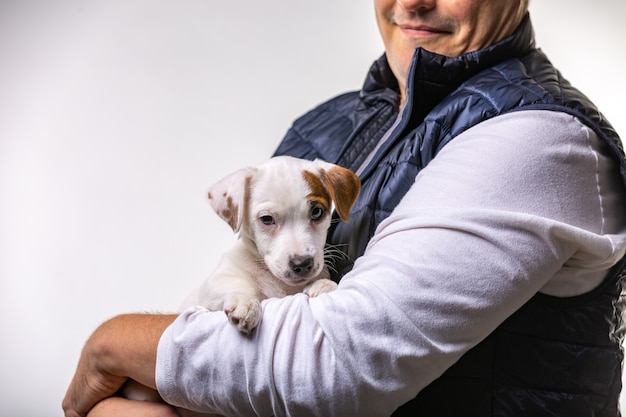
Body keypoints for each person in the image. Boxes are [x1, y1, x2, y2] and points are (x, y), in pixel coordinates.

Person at [63, 0, 626, 416]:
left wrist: (113, 347)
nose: (413, 3)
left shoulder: (538, 139)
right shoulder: (322, 129)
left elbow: (339, 364)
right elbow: (252, 345)